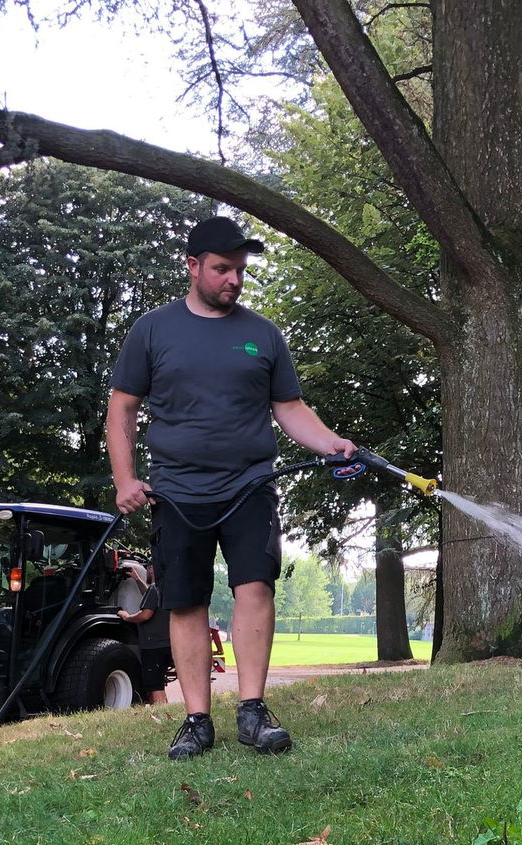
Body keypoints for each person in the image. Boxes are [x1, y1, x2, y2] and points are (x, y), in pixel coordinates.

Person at [106, 214, 355, 760]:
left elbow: (288, 408)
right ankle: (197, 720)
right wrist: (125, 479)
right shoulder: (152, 330)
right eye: (222, 269)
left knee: (255, 587)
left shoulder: (262, 334)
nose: (234, 280)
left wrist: (330, 442)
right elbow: (122, 407)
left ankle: (252, 712)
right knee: (186, 602)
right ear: (192, 266)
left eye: (240, 271)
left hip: (250, 486)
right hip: (175, 491)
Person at [117, 563, 170, 705]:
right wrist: (137, 579)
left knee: (155, 686)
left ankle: (162, 716)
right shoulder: (166, 588)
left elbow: (146, 614)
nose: (147, 571)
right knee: (158, 682)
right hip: (166, 644)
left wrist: (128, 617)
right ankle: (163, 714)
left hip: (153, 646)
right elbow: (150, 597)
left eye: (148, 567)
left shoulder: (154, 588)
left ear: (153, 568)